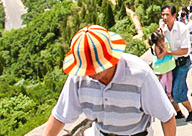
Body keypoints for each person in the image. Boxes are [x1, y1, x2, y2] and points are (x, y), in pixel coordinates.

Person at [43, 25, 177, 136]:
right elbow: (60, 116)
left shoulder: (139, 74)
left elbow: (167, 117)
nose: (90, 74)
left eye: (96, 68)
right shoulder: (78, 77)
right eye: (87, 69)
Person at [160, 5, 192, 121]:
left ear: (174, 16)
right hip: (169, 64)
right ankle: (179, 112)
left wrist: (168, 53)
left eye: (167, 14)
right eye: (163, 15)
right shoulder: (164, 29)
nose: (165, 17)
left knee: (177, 90)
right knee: (169, 90)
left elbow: (185, 50)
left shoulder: (182, 28)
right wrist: (160, 31)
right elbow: (156, 43)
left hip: (182, 63)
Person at [150, 29, 175, 102]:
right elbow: (159, 57)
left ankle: (169, 93)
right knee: (163, 80)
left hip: (168, 64)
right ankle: (161, 95)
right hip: (161, 66)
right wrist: (164, 52)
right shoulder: (156, 47)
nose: (162, 43)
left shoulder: (164, 40)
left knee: (170, 78)